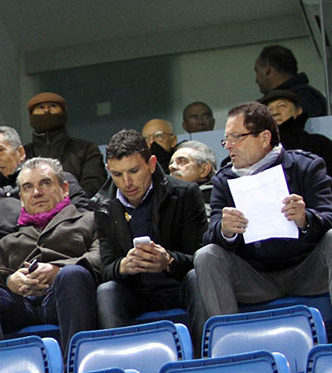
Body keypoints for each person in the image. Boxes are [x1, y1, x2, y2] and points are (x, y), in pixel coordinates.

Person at [195, 101, 332, 318]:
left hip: (307, 269)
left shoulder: (306, 166)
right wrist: (225, 231)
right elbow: (209, 235)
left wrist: (305, 219)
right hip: (256, 276)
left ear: (265, 138)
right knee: (206, 255)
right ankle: (229, 341)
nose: (228, 145)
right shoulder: (224, 180)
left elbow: (329, 216)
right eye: (226, 139)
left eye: (236, 137)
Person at [0, 157, 99, 349]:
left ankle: (77, 366)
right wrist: (11, 281)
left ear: (65, 188)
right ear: (21, 198)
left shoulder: (90, 220)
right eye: (27, 187)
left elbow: (101, 258)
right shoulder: (6, 241)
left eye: (45, 183)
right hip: (22, 304)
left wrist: (57, 270)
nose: (37, 193)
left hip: (67, 294)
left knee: (71, 274)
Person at [94, 129, 207, 340]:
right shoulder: (103, 206)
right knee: (107, 291)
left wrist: (168, 261)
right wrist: (124, 266)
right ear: (109, 170)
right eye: (117, 174)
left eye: (134, 171)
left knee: (197, 278)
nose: (126, 182)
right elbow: (106, 270)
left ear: (152, 164)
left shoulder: (185, 194)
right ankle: (121, 366)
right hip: (136, 292)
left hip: (179, 285)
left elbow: (201, 259)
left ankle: (207, 357)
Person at [23, 92, 107, 196]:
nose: (46, 111)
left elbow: (93, 184)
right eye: (41, 107)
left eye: (53, 106)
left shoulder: (86, 150)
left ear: (63, 112)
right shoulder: (22, 154)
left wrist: (67, 203)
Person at [260, 89, 332, 171]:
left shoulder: (319, 144)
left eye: (281, 106)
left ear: (298, 110)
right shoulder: (261, 149)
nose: (275, 112)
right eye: (269, 109)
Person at [255, 44, 327, 118]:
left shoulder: (306, 98)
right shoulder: (309, 96)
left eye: (257, 71)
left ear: (268, 70)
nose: (256, 80)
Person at [169, 140, 217, 214]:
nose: (171, 167)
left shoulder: (214, 198)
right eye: (171, 163)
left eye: (182, 161)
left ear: (204, 169)